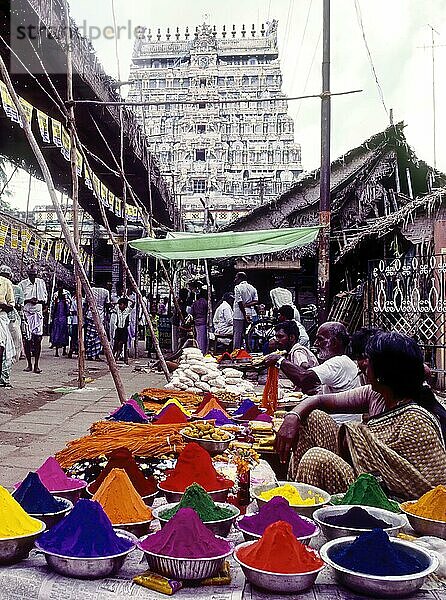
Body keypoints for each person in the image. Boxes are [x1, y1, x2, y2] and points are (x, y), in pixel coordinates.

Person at [276, 332, 446, 499]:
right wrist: (293, 416)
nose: (363, 366)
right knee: (313, 417)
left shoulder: (416, 419)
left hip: (385, 497)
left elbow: (429, 488)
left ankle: (306, 509)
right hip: (364, 474)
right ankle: (296, 494)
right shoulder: (377, 394)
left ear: (383, 372)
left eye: (369, 360)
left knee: (316, 459)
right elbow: (319, 400)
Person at [265, 321, 361, 423]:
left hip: (339, 425)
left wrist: (279, 360)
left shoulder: (338, 362)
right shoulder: (341, 361)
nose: (315, 343)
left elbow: (303, 378)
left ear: (334, 342)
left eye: (320, 339)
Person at [19, 265, 48, 374]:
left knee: (38, 339)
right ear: (28, 274)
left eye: (34, 274)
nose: (33, 276)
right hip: (27, 313)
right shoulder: (22, 284)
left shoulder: (41, 283)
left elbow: (45, 297)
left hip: (38, 312)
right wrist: (29, 299)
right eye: (31, 274)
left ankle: (36, 364)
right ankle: (29, 364)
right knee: (27, 340)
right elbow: (20, 300)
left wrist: (39, 300)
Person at [0, 265, 23, 361]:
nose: (4, 277)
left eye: (6, 275)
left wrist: (2, 305)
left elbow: (12, 305)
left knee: (8, 344)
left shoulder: (15, 287)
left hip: (8, 318)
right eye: (2, 275)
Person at [84, 283, 110, 361]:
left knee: (89, 336)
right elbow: (107, 305)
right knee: (98, 337)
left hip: (90, 315)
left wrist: (84, 315)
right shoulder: (106, 292)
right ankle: (97, 355)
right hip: (100, 316)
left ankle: (89, 354)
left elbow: (85, 304)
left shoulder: (90, 290)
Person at [233, 272, 258, 349]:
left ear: (240, 278)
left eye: (236, 278)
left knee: (238, 334)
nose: (235, 279)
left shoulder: (238, 287)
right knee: (249, 334)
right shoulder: (252, 288)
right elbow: (256, 301)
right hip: (251, 313)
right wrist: (247, 305)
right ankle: (249, 350)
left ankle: (236, 352)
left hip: (239, 314)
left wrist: (244, 314)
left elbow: (239, 302)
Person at [0, 273, 15, 387]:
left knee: (1, 347)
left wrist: (2, 305)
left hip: (1, 317)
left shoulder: (5, 282)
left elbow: (11, 305)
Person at [50, 282, 70, 357]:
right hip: (57, 317)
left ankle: (64, 350)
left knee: (64, 333)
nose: (60, 288)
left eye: (61, 286)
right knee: (57, 333)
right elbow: (53, 308)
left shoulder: (66, 294)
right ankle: (57, 351)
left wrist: (65, 301)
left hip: (63, 317)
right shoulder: (55, 295)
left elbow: (68, 307)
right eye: (59, 286)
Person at [113, 297, 132, 364]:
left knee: (120, 344)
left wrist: (127, 298)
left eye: (122, 304)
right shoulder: (117, 309)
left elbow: (133, 303)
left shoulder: (127, 310)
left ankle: (116, 358)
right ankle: (113, 358)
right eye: (120, 304)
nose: (120, 306)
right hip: (118, 329)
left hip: (124, 330)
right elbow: (112, 305)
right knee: (115, 344)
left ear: (125, 305)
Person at [191, 288, 208, 354]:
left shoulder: (195, 303)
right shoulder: (205, 302)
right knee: (202, 338)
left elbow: (192, 312)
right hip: (203, 321)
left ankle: (199, 351)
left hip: (196, 321)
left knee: (198, 337)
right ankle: (201, 352)